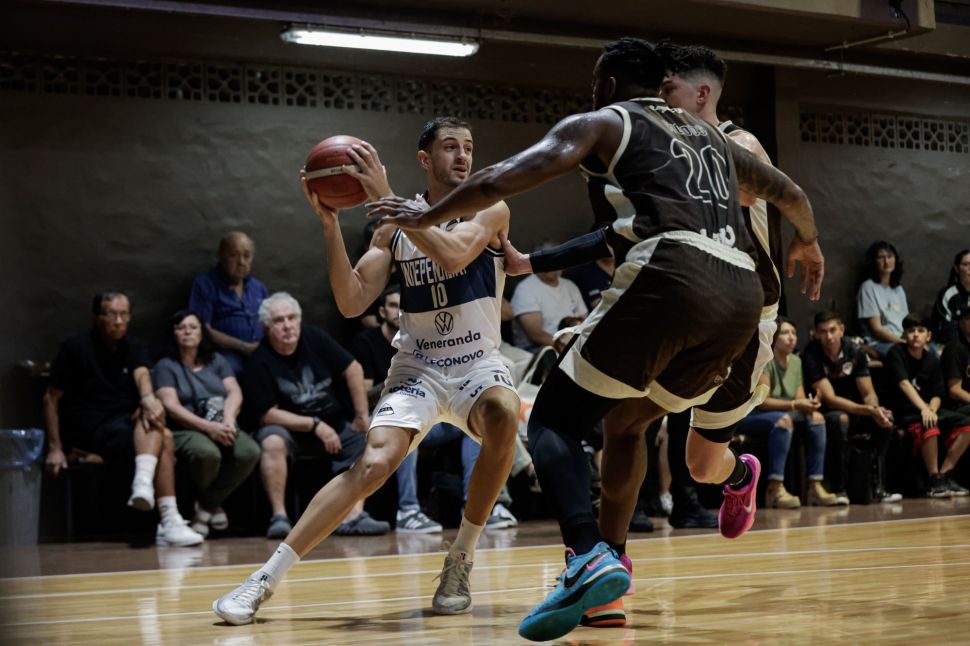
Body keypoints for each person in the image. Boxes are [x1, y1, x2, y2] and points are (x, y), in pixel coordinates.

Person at [368, 37, 821, 642]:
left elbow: (503, 177)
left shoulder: (607, 120)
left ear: (607, 85)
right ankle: (611, 577)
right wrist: (808, 241)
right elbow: (793, 195)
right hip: (742, 296)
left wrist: (423, 215)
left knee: (552, 419)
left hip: (673, 276)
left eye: (593, 84)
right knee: (626, 421)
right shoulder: (711, 138)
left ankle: (586, 556)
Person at [213, 117, 521, 626]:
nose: (463, 156)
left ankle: (460, 558)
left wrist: (388, 198)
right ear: (425, 159)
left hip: (477, 362)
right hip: (419, 365)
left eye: (468, 146)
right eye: (450, 147)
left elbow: (454, 256)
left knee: (505, 413)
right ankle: (263, 579)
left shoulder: (490, 206)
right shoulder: (389, 228)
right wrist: (330, 226)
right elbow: (352, 301)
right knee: (373, 464)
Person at [43, 291, 203, 546]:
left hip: (128, 424)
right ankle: (168, 517)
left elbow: (142, 375)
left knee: (155, 422)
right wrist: (55, 447)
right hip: (91, 428)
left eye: (124, 314)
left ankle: (148, 493)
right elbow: (51, 398)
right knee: (164, 437)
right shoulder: (76, 347)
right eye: (111, 315)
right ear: (97, 317)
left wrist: (148, 398)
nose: (118, 321)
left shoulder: (134, 346)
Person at [242, 292, 387, 539]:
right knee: (272, 441)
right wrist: (315, 424)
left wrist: (362, 417)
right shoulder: (258, 361)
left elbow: (353, 368)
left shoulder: (314, 338)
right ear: (266, 327)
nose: (287, 325)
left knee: (370, 438)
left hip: (336, 425)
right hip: (291, 432)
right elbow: (267, 415)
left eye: (291, 318)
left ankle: (353, 516)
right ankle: (279, 517)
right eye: (279, 320)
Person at [152, 310, 261, 536]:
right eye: (181, 328)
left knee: (249, 451)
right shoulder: (165, 366)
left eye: (193, 327)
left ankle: (207, 504)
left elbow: (234, 392)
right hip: (185, 429)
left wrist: (229, 419)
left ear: (202, 333)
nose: (187, 332)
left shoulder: (216, 360)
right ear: (173, 333)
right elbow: (171, 406)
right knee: (207, 454)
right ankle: (213, 506)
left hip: (222, 422)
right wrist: (209, 428)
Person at [349, 285, 442, 534]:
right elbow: (365, 396)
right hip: (385, 416)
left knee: (472, 429)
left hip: (425, 414)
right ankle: (408, 511)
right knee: (404, 430)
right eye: (393, 305)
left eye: (404, 306)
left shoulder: (421, 339)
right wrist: (397, 380)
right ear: (381, 312)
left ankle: (483, 509)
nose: (399, 311)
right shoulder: (366, 342)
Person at [737, 317, 846, 507]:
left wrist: (809, 405)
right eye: (785, 333)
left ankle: (815, 486)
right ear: (774, 336)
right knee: (784, 421)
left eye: (794, 333)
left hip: (784, 412)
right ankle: (775, 489)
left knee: (817, 419)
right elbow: (762, 402)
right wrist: (796, 405)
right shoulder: (765, 359)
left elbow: (800, 397)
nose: (791, 337)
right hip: (752, 414)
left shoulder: (796, 361)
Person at [802, 310, 901, 503]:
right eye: (823, 332)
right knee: (840, 419)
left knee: (886, 420)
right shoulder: (811, 353)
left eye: (832, 330)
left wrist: (875, 410)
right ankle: (838, 488)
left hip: (856, 407)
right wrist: (867, 410)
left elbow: (868, 393)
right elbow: (830, 399)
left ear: (841, 329)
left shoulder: (855, 351)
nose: (829, 336)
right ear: (817, 334)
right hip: (824, 410)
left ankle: (877, 485)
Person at [885, 315, 970, 497]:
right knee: (929, 424)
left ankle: (945, 473)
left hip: (929, 410)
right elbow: (904, 384)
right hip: (906, 410)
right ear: (904, 335)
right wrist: (924, 409)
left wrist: (931, 409)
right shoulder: (896, 353)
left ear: (928, 336)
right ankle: (933, 479)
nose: (915, 335)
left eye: (920, 331)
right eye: (911, 331)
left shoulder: (932, 359)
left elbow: (938, 394)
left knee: (966, 423)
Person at [188, 232, 269, 374]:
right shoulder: (205, 285)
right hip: (227, 353)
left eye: (247, 256)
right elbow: (201, 329)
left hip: (261, 350)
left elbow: (270, 323)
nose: (241, 262)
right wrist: (243, 346)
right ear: (221, 256)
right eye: (234, 255)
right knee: (232, 370)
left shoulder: (258, 287)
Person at [510, 242, 588, 350]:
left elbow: (584, 320)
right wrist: (564, 346)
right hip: (539, 348)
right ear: (537, 262)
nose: (554, 263)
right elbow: (536, 334)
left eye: (558, 258)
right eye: (549, 259)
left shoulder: (569, 286)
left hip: (572, 344)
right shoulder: (525, 289)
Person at [857, 240, 909, 359]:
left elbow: (907, 323)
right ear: (874, 261)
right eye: (881, 257)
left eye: (890, 256)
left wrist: (912, 340)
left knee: (931, 351)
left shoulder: (898, 290)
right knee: (904, 355)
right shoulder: (868, 287)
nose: (886, 261)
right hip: (880, 343)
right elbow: (877, 330)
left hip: (902, 340)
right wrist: (904, 343)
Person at [932, 249, 970, 346]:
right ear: (957, 269)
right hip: (950, 346)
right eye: (966, 264)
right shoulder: (948, 295)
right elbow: (948, 330)